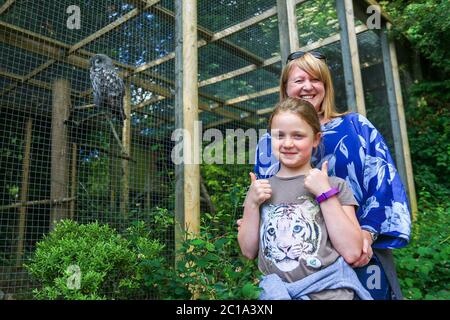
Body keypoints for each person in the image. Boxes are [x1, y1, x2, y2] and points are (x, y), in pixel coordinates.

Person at [245, 51, 411, 299]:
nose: (308, 87)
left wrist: (366, 233)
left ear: (326, 86)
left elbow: (385, 185)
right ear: (285, 87)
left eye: (316, 80)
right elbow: (264, 202)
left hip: (360, 250)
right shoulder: (268, 143)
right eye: (299, 80)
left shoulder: (356, 126)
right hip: (295, 266)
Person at [238, 97, 372, 300]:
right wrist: (251, 203)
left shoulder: (335, 186)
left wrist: (324, 194)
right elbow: (248, 251)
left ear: (316, 139)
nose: (288, 143)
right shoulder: (261, 190)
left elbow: (353, 251)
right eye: (279, 136)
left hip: (330, 295)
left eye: (298, 136)